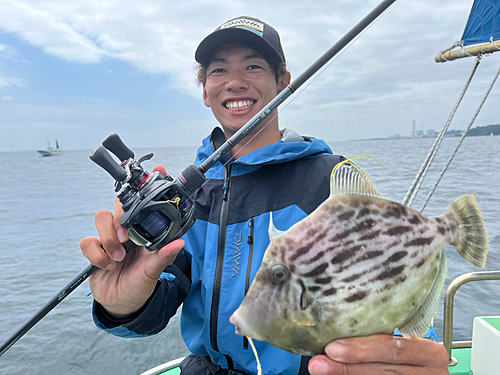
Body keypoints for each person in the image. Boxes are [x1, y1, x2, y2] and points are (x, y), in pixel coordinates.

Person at [80, 16, 450, 375]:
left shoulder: (325, 178)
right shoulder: (189, 198)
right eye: (218, 70)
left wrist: (409, 351)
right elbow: (163, 298)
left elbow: (385, 272)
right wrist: (122, 304)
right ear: (205, 91)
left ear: (283, 82)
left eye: (253, 67)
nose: (235, 82)